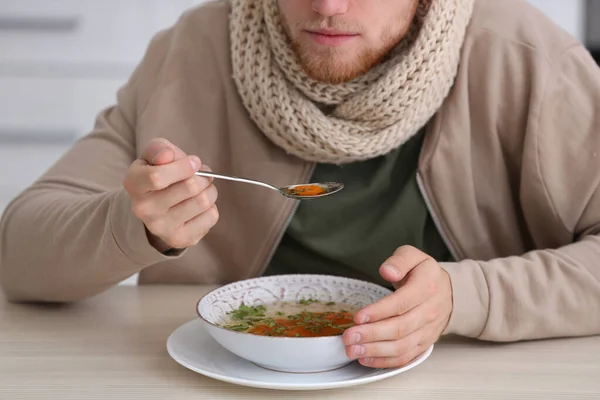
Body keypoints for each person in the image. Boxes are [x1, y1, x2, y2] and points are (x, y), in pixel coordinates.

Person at [1, 0, 600, 369]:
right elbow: (19, 254)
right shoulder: (193, 51)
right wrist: (135, 226)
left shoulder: (527, 59)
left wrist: (468, 297)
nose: (330, 6)